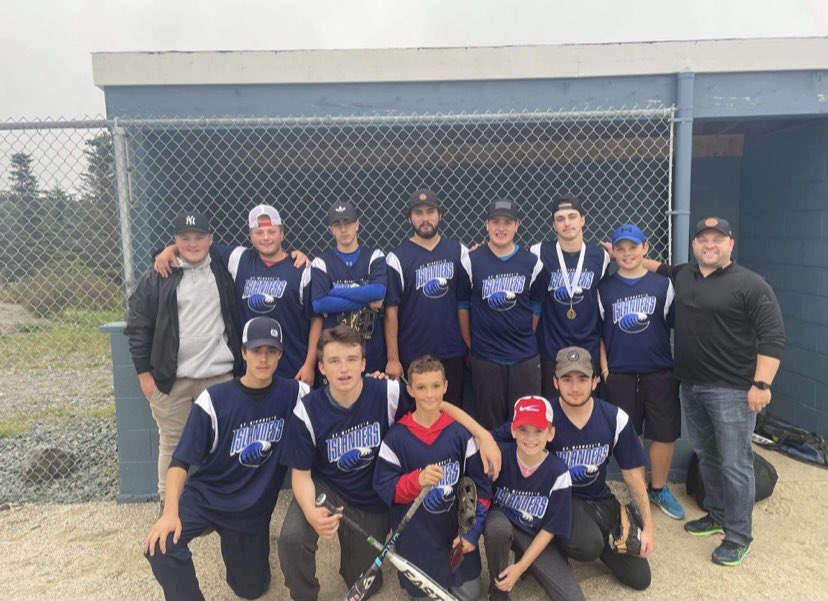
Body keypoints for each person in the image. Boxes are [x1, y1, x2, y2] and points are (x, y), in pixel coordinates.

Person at [277, 326, 501, 601]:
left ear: (363, 363)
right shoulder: (307, 410)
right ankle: (303, 595)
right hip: (329, 488)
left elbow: (433, 402)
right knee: (291, 537)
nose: (343, 368)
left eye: (351, 359)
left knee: (367, 585)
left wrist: (482, 434)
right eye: (334, 361)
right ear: (321, 367)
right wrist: (312, 513)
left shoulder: (388, 392)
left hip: (371, 496)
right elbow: (300, 476)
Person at [143, 316, 310, 601]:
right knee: (160, 545)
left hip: (250, 512)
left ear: (280, 354)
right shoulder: (215, 399)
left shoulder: (295, 394)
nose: (264, 359)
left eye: (271, 351)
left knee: (251, 590)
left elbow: (336, 406)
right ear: (243, 353)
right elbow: (180, 462)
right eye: (256, 350)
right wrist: (170, 512)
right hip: (208, 497)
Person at [652, 217, 785, 566]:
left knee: (736, 463)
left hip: (733, 391)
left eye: (717, 239)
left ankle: (739, 536)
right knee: (707, 455)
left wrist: (761, 384)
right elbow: (658, 266)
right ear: (694, 244)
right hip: (691, 387)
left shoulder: (751, 285)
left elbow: (773, 336)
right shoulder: (684, 274)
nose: (709, 245)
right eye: (703, 239)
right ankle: (717, 514)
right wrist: (619, 255)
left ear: (730, 243)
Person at [492, 346, 654, 590]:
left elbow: (632, 474)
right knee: (587, 544)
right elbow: (494, 438)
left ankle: (601, 536)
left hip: (599, 498)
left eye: (582, 379)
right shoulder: (542, 416)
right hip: (560, 501)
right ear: (555, 382)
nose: (575, 388)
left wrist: (648, 528)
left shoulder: (614, 418)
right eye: (567, 379)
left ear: (595, 381)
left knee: (640, 579)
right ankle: (559, 545)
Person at [124, 211, 242, 500]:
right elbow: (138, 325)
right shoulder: (159, 274)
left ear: (210, 240)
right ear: (175, 241)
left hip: (219, 376)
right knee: (173, 445)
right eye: (185, 239)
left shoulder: (224, 269)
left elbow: (267, 258)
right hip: (171, 379)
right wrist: (144, 374)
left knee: (222, 444)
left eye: (199, 237)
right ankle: (169, 508)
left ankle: (222, 505)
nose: (193, 244)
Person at [153, 204, 320, 385]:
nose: (266, 238)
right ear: (251, 236)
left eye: (272, 232)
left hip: (293, 366)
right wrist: (170, 250)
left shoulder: (301, 268)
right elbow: (199, 244)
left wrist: (309, 364)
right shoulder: (239, 258)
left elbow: (316, 319)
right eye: (259, 233)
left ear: (282, 234)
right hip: (250, 369)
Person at [373, 355, 491, 601]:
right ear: (410, 390)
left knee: (470, 594)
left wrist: (472, 533)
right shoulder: (396, 437)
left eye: (436, 386)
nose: (429, 394)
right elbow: (385, 487)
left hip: (454, 535)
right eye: (421, 387)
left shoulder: (459, 434)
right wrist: (416, 481)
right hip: (418, 540)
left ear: (446, 387)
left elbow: (482, 488)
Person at [597, 224, 685, 520]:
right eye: (620, 248)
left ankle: (658, 488)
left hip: (658, 369)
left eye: (633, 247)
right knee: (628, 435)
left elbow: (676, 324)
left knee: (663, 433)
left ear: (645, 248)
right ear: (614, 253)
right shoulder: (604, 288)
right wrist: (606, 369)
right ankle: (638, 495)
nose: (627, 254)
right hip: (620, 373)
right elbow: (598, 332)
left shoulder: (663, 285)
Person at [484, 395, 584, 601]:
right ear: (513, 430)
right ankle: (497, 592)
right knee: (496, 529)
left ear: (550, 433)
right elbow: (468, 437)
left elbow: (550, 529)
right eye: (523, 430)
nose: (530, 438)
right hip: (504, 524)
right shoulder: (499, 455)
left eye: (538, 431)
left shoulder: (559, 472)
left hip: (536, 534)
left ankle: (522, 560)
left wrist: (520, 568)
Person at [462, 198, 545, 429]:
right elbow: (462, 305)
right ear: (486, 225)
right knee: (491, 427)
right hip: (486, 356)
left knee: (527, 424)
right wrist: (471, 344)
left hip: (524, 357)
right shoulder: (471, 261)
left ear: (517, 226)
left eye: (507, 222)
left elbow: (536, 305)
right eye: (495, 222)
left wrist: (526, 332)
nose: (501, 228)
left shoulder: (532, 263)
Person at [384, 189, 472, 405]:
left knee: (452, 415)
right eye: (418, 213)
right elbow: (390, 312)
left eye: (430, 212)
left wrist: (470, 346)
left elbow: (467, 304)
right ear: (409, 218)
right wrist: (393, 358)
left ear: (440, 215)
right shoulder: (397, 257)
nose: (425, 218)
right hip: (413, 353)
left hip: (452, 351)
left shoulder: (459, 251)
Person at [531, 196, 610, 399]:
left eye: (572, 217)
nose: (567, 223)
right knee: (553, 413)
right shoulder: (538, 252)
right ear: (553, 224)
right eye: (560, 218)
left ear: (582, 219)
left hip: (588, 348)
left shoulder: (600, 257)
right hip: (551, 350)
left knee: (587, 411)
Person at [312, 201, 388, 375]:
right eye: (337, 225)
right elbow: (319, 304)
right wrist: (365, 301)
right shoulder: (321, 262)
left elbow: (379, 291)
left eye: (348, 223)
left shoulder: (374, 256)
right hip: (336, 354)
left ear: (357, 225)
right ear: (331, 229)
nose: (343, 229)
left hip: (370, 352)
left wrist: (333, 292)